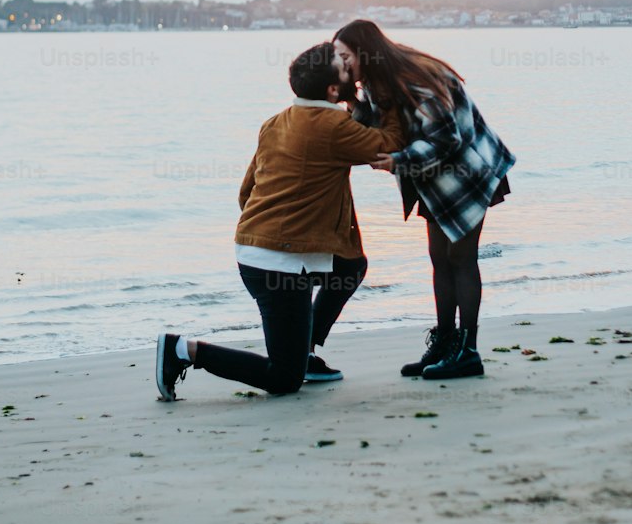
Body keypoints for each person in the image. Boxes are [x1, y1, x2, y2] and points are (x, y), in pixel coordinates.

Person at [155, 42, 402, 401]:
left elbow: (246, 192)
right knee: (285, 379)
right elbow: (388, 143)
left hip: (255, 249)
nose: (353, 72)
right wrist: (390, 97)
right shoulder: (333, 126)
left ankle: (304, 347)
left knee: (351, 265)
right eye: (345, 69)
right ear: (333, 90)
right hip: (279, 264)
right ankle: (183, 351)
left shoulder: (275, 122)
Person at [333, 20, 514, 381]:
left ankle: (469, 351)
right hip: (434, 178)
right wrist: (351, 100)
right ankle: (444, 343)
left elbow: (446, 139)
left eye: (344, 55)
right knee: (438, 258)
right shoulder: (373, 81)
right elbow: (382, 126)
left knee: (461, 258)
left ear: (365, 50)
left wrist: (398, 160)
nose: (341, 63)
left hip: (469, 171)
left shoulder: (418, 76)